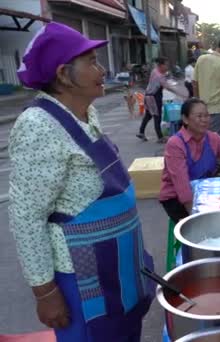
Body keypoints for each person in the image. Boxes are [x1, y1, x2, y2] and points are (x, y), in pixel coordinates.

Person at [10, 22, 154, 341]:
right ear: (63, 74)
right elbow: (26, 217)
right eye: (91, 61)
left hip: (119, 265)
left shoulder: (87, 113)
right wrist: (45, 292)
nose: (102, 69)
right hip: (83, 279)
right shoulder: (38, 126)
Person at [160, 99, 220, 222]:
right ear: (185, 119)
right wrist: (196, 217)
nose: (204, 120)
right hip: (176, 198)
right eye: (199, 116)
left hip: (203, 193)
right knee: (208, 229)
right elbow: (182, 188)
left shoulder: (211, 138)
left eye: (206, 115)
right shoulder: (175, 144)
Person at [137, 57, 186, 143]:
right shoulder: (159, 76)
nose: (167, 67)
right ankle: (160, 137)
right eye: (166, 65)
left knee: (148, 115)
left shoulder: (155, 70)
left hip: (148, 96)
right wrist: (180, 92)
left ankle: (141, 132)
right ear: (161, 65)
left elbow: (165, 78)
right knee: (157, 116)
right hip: (154, 97)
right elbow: (167, 87)